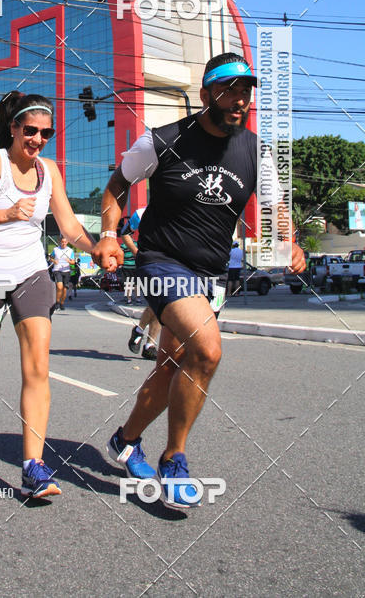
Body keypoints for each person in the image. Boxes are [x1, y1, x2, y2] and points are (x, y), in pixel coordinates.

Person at [92, 52, 306, 507]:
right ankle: (174, 459)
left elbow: (274, 205)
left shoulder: (253, 151)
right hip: (162, 261)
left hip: (212, 272)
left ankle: (124, 441)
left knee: (170, 366)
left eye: (246, 92)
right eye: (230, 91)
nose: (240, 100)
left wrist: (291, 241)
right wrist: (110, 234)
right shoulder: (162, 142)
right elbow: (115, 187)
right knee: (207, 351)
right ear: (206, 93)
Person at [0, 91, 97, 499]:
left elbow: (68, 227)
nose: (37, 139)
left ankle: (33, 465)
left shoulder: (49, 170)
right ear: (14, 128)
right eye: (30, 130)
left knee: (38, 364)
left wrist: (97, 247)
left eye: (45, 133)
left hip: (31, 273)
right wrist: (6, 213)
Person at [122, 208, 161, 361]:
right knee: (157, 302)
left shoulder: (175, 210)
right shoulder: (141, 213)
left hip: (169, 264)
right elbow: (125, 233)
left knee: (160, 306)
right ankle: (142, 335)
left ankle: (148, 342)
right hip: (149, 263)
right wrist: (137, 253)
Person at [50, 235, 74, 310]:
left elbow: (73, 262)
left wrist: (69, 261)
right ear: (60, 242)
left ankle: (62, 303)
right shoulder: (56, 249)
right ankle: (57, 302)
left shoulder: (70, 250)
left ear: (67, 242)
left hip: (66, 271)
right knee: (59, 287)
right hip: (57, 270)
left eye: (65, 242)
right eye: (62, 242)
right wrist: (54, 261)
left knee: (64, 289)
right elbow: (50, 257)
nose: (63, 243)